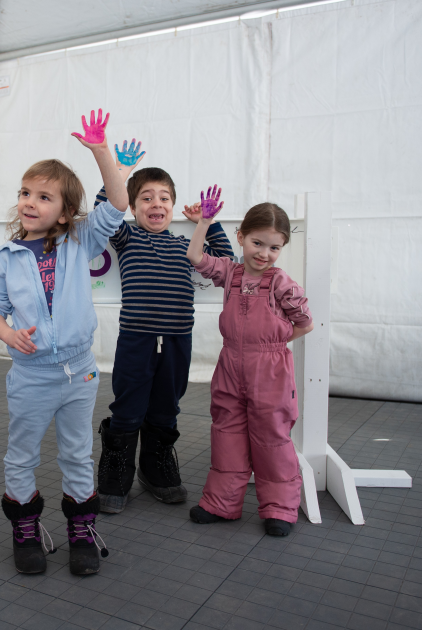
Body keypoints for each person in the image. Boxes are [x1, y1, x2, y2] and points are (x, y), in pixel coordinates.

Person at [0, 109, 128, 575]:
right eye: (25, 193)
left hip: (80, 372)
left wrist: (101, 152)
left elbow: (119, 203)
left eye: (44, 197)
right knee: (21, 454)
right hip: (30, 376)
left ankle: (80, 530)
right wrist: (8, 335)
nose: (30, 201)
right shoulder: (4, 258)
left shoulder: (78, 241)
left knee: (76, 453)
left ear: (65, 212)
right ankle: (24, 529)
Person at [92, 147, 235, 513]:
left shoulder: (186, 244)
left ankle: (154, 468)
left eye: (164, 197)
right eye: (146, 198)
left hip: (176, 340)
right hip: (136, 339)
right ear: (133, 207)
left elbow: (227, 262)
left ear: (173, 205)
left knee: (166, 407)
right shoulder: (127, 238)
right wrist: (120, 172)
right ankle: (116, 471)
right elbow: (102, 210)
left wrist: (209, 221)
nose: (156, 203)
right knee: (128, 407)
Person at [186, 194, 314, 536]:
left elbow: (305, 323)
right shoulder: (230, 272)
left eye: (274, 248)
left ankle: (280, 508)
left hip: (270, 371)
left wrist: (273, 345)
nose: (264, 253)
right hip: (230, 365)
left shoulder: (283, 283)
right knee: (226, 432)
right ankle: (221, 504)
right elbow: (195, 257)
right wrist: (204, 222)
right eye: (257, 243)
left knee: (271, 436)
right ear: (240, 236)